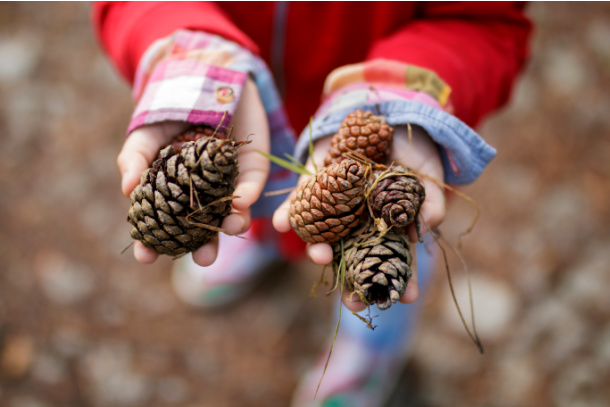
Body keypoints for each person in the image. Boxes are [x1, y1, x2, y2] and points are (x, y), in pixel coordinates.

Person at [92, 2, 531, 406]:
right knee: (253, 196)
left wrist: (403, 98)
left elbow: (484, 21)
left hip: (393, 123)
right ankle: (257, 238)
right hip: (240, 107)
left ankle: (368, 352)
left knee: (387, 267)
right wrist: (194, 59)